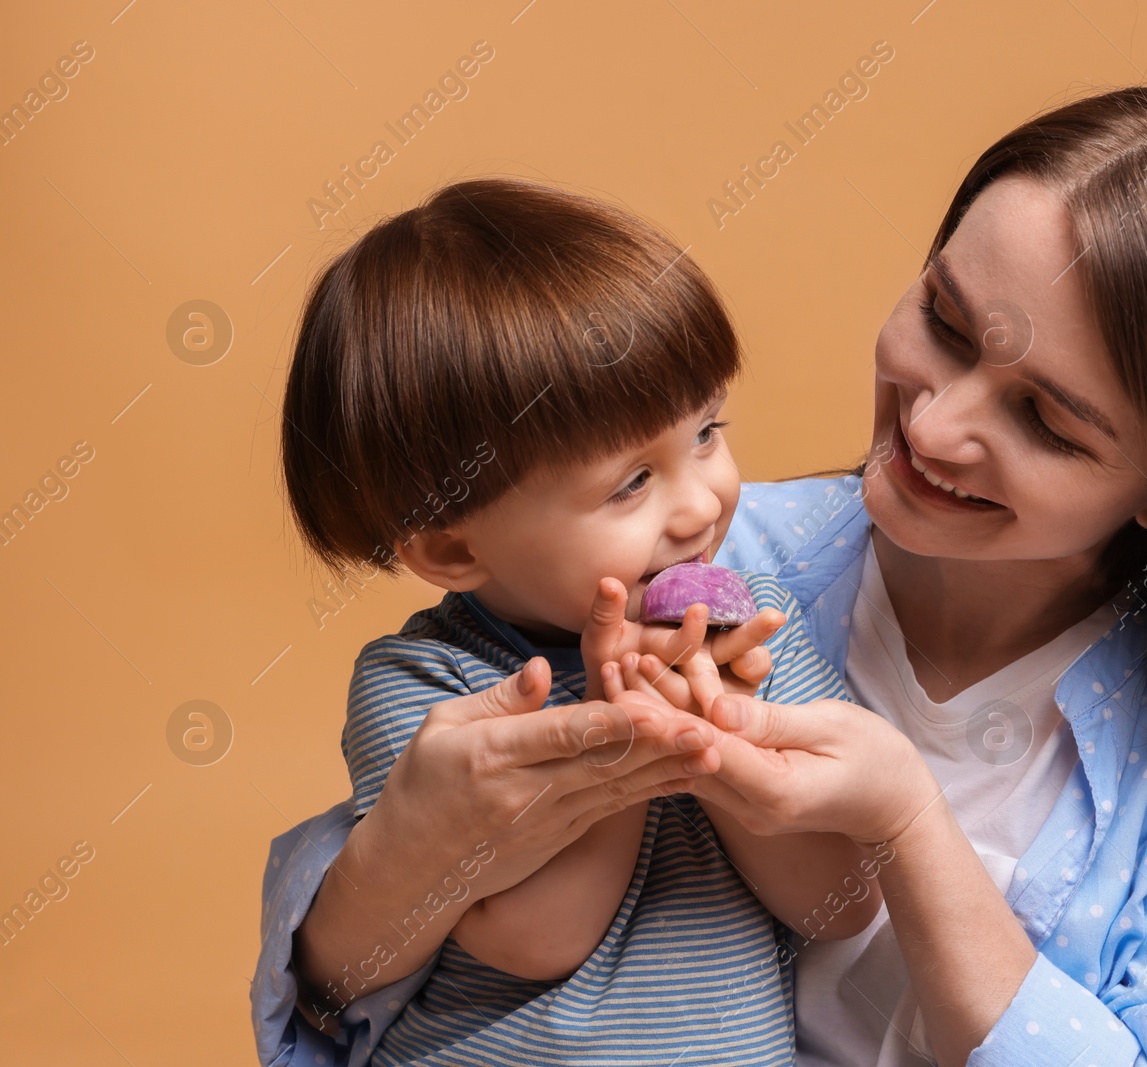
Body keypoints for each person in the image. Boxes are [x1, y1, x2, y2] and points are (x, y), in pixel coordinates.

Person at [253, 84, 1147, 1067]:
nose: (934, 428)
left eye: (1045, 417)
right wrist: (399, 863)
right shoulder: (712, 572)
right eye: (942, 317)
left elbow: (832, 895)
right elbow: (344, 991)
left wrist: (905, 823)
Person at [266, 177, 882, 1066]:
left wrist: (718, 730)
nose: (700, 502)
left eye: (707, 432)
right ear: (452, 551)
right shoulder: (435, 691)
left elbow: (839, 903)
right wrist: (627, 730)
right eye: (631, 482)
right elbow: (533, 937)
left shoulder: (744, 646)